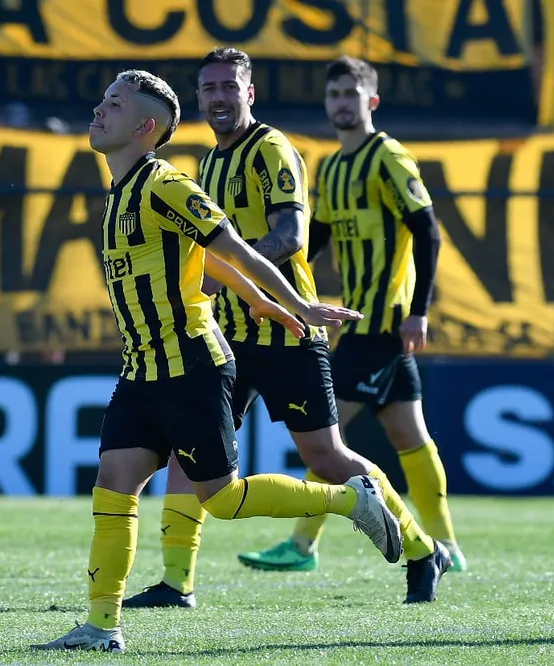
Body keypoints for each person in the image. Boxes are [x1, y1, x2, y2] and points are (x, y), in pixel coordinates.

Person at [34, 69, 403, 653]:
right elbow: (204, 267)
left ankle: (349, 498)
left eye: (115, 104)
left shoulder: (166, 184)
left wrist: (296, 303)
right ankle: (102, 628)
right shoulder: (118, 194)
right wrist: (259, 301)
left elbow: (230, 246)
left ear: (146, 127)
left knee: (222, 500)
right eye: (102, 99)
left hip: (191, 366)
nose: (99, 111)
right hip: (141, 371)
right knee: (113, 482)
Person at [122, 47, 450, 613]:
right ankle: (177, 583)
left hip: (288, 333)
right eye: (209, 88)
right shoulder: (210, 163)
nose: (219, 97)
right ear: (198, 98)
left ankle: (423, 548)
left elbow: (292, 237)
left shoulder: (271, 148)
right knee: (186, 447)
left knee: (327, 457)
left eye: (230, 86)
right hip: (226, 336)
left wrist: (224, 271)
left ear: (249, 93)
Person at [239, 55, 466, 575]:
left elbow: (427, 231)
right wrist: (259, 275)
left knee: (326, 433)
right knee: (409, 435)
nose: (342, 103)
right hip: (358, 320)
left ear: (372, 101)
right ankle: (447, 545)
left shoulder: (388, 157)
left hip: (384, 321)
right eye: (334, 95)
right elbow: (315, 239)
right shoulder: (334, 166)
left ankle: (301, 545)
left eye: (351, 94)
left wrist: (419, 312)